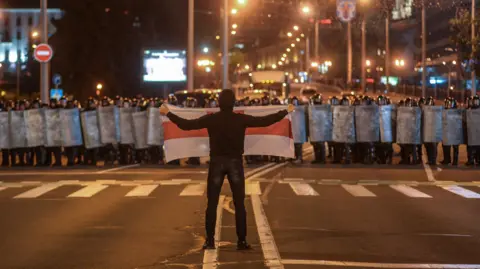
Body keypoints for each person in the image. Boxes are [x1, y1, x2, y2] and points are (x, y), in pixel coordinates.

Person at [160, 89, 294, 250]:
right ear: (233, 103)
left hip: (216, 162)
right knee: (239, 204)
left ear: (218, 102)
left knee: (212, 204)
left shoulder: (212, 119)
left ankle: (209, 241)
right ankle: (241, 241)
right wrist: (285, 111)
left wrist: (168, 113)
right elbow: (265, 121)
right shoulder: (240, 119)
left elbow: (187, 125)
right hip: (235, 163)